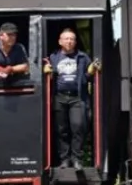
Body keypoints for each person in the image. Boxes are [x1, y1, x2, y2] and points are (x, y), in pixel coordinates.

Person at [43, 28, 101, 169]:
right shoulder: (53, 57)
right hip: (59, 97)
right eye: (66, 39)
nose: (69, 41)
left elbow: (88, 77)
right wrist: (46, 73)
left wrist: (92, 71)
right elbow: (49, 77)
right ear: (60, 41)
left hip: (77, 97)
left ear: (75, 42)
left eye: (72, 39)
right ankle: (64, 159)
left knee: (78, 127)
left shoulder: (83, 57)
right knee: (61, 130)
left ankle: (77, 159)